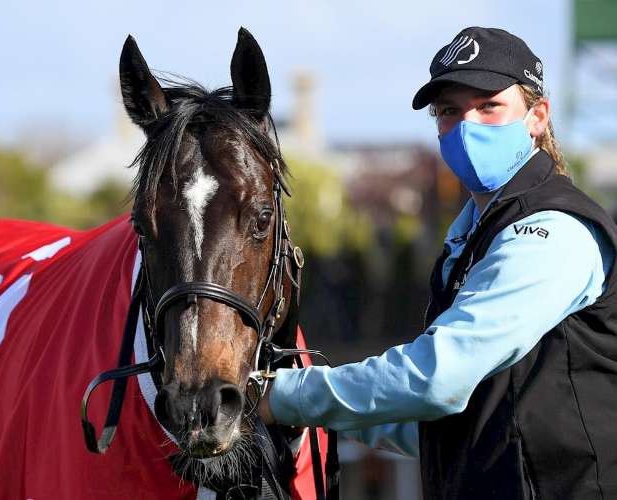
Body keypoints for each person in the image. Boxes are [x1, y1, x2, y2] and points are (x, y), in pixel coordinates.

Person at [258, 27, 617, 499]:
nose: (468, 125)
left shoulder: (552, 232)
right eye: (449, 111)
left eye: (488, 106)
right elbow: (448, 427)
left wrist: (285, 396)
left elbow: (437, 378)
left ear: (537, 117)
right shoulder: (472, 237)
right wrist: (315, 413)